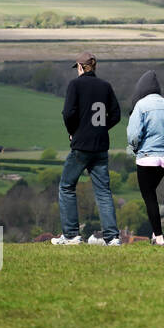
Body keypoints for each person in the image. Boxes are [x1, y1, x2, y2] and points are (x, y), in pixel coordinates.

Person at [53, 52, 121, 246]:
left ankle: (71, 235)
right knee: (103, 191)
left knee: (66, 186)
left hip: (81, 146)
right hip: (100, 146)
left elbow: (68, 112)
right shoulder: (105, 86)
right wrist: (100, 128)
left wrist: (73, 131)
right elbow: (115, 115)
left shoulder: (75, 85)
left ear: (80, 67)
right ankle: (113, 237)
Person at [125, 70, 164, 246]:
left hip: (146, 157)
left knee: (149, 197)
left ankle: (158, 237)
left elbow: (133, 134)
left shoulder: (141, 106)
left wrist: (135, 148)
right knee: (151, 195)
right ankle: (154, 235)